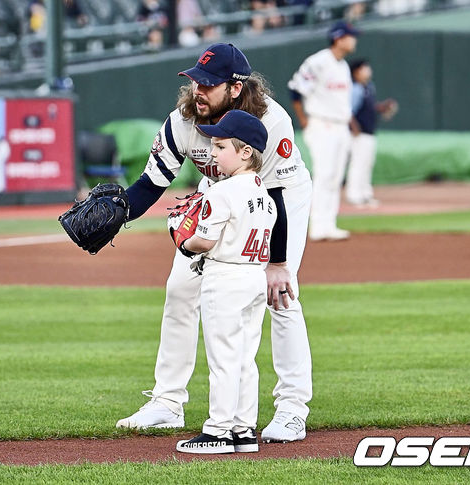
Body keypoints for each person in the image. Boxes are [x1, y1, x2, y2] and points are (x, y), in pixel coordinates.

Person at [116, 43, 313, 443]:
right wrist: (119, 212)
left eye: (207, 84)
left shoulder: (271, 121)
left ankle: (293, 408)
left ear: (236, 87)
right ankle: (167, 402)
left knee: (281, 294)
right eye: (194, 81)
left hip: (277, 196)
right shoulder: (184, 119)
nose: (197, 91)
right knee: (180, 289)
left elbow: (272, 197)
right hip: (220, 191)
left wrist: (276, 264)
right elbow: (151, 184)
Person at [174, 110, 276, 454]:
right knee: (245, 357)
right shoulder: (266, 197)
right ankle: (243, 431)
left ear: (246, 152)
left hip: (226, 277)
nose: (212, 153)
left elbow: (203, 241)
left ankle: (217, 430)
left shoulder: (223, 191)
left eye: (220, 146)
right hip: (255, 277)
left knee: (223, 358)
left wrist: (180, 238)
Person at [288, 20, 358, 241]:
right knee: (324, 175)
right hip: (322, 123)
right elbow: (296, 91)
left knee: (336, 176)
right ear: (339, 38)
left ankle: (329, 223)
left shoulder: (343, 66)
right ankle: (318, 225)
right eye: (350, 36)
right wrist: (304, 121)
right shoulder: (318, 61)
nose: (354, 40)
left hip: (340, 125)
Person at [346, 59, 398, 207]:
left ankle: (365, 194)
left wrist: (383, 107)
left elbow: (371, 107)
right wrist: (354, 128)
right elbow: (349, 110)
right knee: (358, 163)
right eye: (364, 68)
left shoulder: (369, 87)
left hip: (369, 132)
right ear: (356, 72)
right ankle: (354, 195)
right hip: (359, 134)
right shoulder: (355, 88)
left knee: (367, 164)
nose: (368, 70)